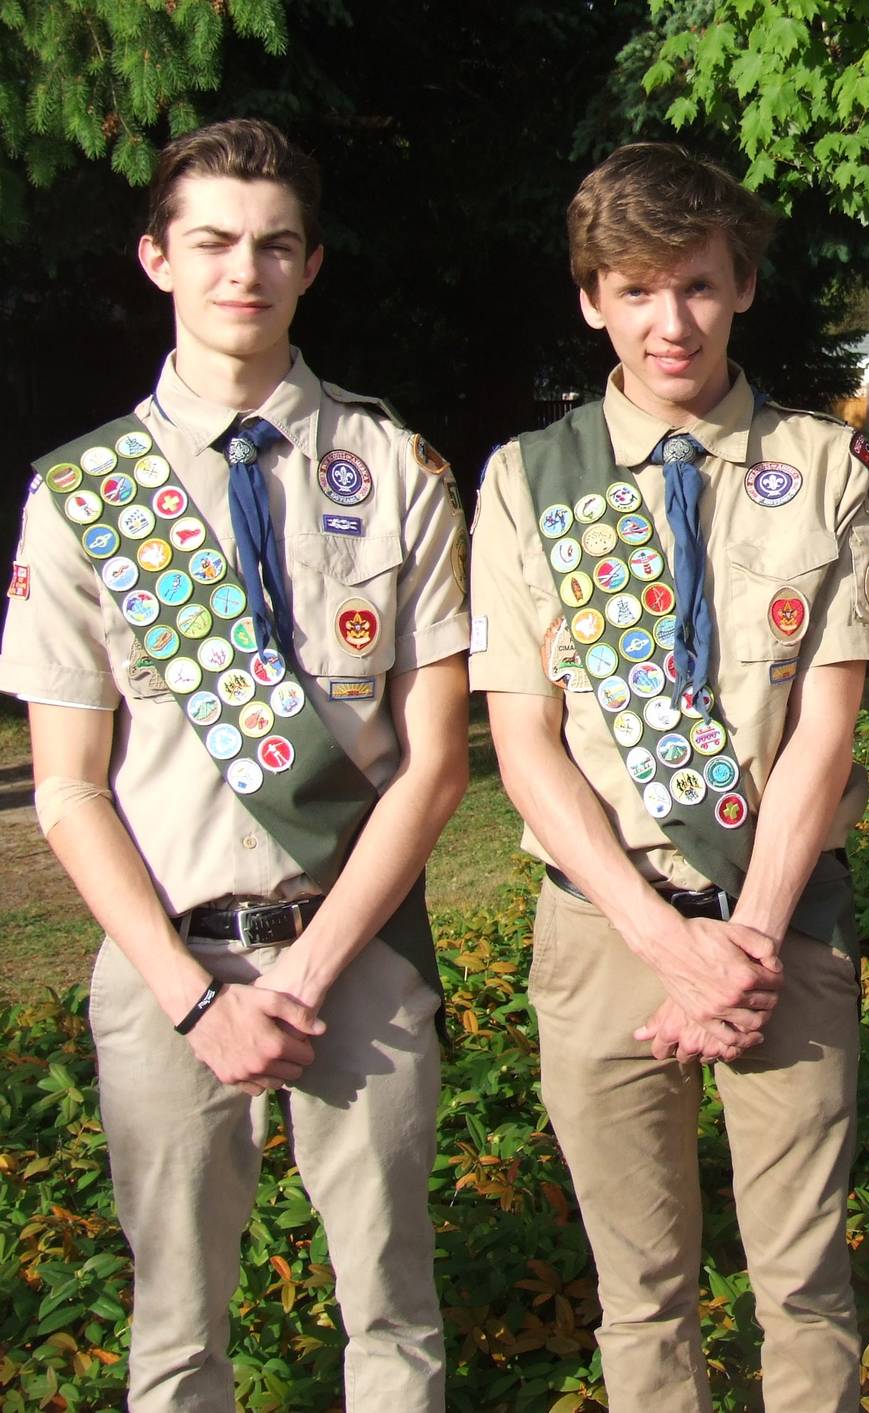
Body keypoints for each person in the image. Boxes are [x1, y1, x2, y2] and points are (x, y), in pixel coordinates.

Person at [0, 118, 470, 1410]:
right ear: (156, 257)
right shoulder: (89, 496)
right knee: (174, 1333)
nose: (241, 272)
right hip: (169, 971)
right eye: (210, 242)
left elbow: (434, 768)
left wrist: (308, 972)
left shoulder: (393, 468)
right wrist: (201, 999)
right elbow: (67, 789)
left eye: (273, 246)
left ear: (311, 264)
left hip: (355, 960)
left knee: (392, 1315)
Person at [466, 143, 869, 1412]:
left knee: (802, 1277)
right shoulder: (526, 481)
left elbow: (827, 726)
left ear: (741, 286)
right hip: (605, 929)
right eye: (636, 290)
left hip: (782, 923)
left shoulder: (825, 468)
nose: (670, 322)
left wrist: (741, 939)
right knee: (639, 1288)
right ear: (591, 298)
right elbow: (522, 743)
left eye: (696, 286)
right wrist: (666, 938)